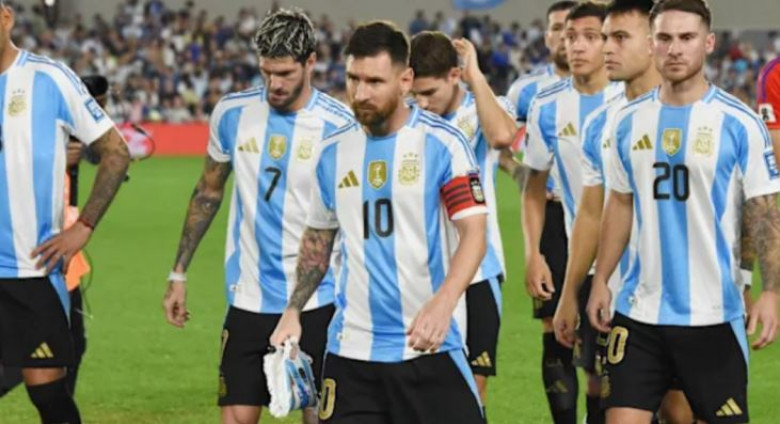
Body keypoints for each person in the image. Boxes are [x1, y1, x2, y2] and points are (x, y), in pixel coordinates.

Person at [269, 20, 487, 424]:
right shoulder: (332, 153)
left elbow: (474, 232)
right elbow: (318, 239)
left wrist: (444, 304)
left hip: (428, 347)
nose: (361, 93)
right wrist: (293, 309)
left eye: (374, 81)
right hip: (352, 354)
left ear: (405, 81)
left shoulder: (443, 144)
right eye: (354, 79)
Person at [587, 1, 780, 423]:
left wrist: (771, 291)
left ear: (708, 43)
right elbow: (620, 203)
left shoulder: (739, 123)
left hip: (714, 313)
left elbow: (764, 212)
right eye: (665, 38)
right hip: (639, 311)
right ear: (652, 44)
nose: (675, 48)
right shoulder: (626, 122)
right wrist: (601, 278)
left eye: (687, 38)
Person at [161, 9, 353, 424]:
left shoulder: (340, 127)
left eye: (284, 73)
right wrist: (179, 272)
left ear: (311, 62)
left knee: (320, 418)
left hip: (319, 301)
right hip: (248, 295)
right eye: (266, 72)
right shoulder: (232, 114)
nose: (274, 84)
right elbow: (208, 192)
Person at [0, 1, 130, 422]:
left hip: (32, 271)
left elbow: (116, 152)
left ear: (6, 17)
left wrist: (84, 225)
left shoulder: (49, 78)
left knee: (49, 396)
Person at [522, 2, 623, 423]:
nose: (576, 46)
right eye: (570, 37)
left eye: (589, 37)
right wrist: (533, 253)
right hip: (579, 252)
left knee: (632, 377)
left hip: (635, 260)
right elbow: (532, 188)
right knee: (588, 366)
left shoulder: (630, 99)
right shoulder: (546, 106)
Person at [408, 31, 516, 406]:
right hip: (422, 268)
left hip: (479, 270)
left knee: (473, 386)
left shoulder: (482, 108)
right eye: (416, 94)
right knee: (420, 383)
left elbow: (502, 136)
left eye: (429, 93)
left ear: (454, 76)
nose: (422, 103)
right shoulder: (410, 119)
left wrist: (476, 75)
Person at [503, 0, 576, 188]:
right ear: (546, 38)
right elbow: (497, 140)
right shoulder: (524, 90)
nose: (564, 36)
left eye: (570, 27)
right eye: (557, 28)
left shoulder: (614, 86)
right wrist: (518, 171)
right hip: (549, 202)